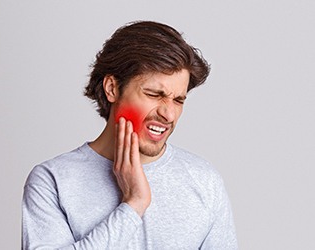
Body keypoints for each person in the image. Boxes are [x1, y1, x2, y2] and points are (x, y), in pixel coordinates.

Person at [22, 21, 238, 249]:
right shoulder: (53, 181)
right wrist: (133, 205)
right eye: (154, 94)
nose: (168, 113)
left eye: (178, 100)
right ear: (112, 89)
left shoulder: (204, 181)